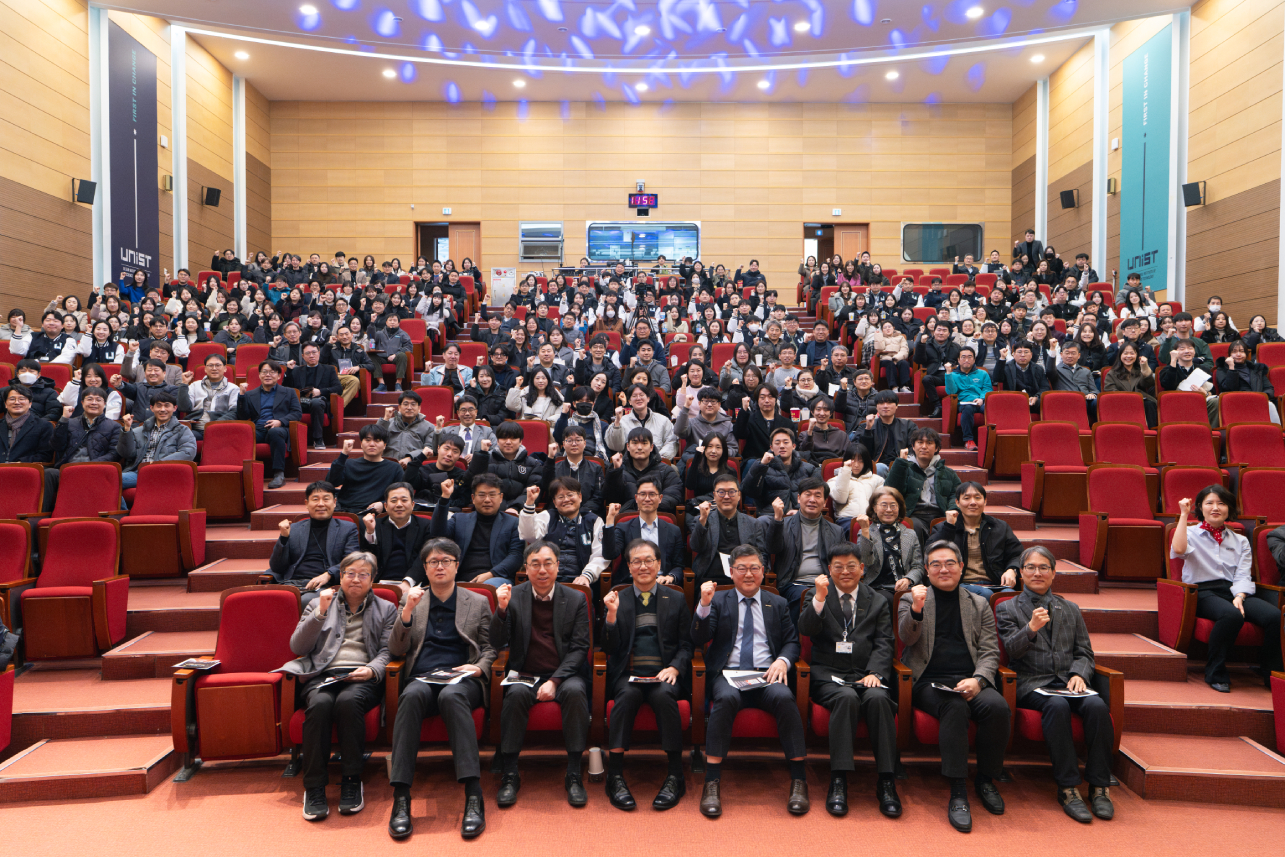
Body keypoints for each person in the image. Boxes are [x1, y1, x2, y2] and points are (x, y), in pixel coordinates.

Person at [386, 538, 497, 840]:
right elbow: (396, 650)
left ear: (457, 565)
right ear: (424, 567)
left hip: (462, 679)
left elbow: (489, 648)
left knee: (452, 695)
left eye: (446, 560)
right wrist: (407, 611)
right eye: (433, 562)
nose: (440, 566)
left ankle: (473, 795)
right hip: (422, 677)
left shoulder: (477, 601)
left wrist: (478, 668)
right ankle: (401, 797)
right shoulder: (412, 600)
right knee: (409, 695)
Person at [996, 546, 1115, 823]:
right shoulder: (1007, 607)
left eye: (1043, 568)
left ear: (1053, 573)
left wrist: (1079, 675)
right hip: (1030, 684)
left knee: (1097, 705)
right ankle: (1068, 787)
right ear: (1022, 574)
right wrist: (1031, 629)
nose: (1037, 573)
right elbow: (1012, 651)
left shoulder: (1070, 608)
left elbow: (1085, 652)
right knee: (1057, 704)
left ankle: (1099, 786)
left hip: (1068, 682)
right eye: (1030, 568)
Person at [899, 540, 1010, 833]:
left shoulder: (978, 603)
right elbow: (906, 639)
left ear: (961, 567)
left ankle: (985, 780)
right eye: (935, 564)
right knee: (954, 706)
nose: (943, 569)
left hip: (969, 678)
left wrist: (979, 679)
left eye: (949, 563)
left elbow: (989, 651)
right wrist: (917, 609)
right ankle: (958, 791)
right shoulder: (912, 599)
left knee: (997, 707)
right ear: (926, 570)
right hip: (929, 682)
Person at [693, 545, 808, 818]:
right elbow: (698, 638)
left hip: (767, 674)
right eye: (742, 568)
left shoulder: (777, 603)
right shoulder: (719, 601)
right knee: (726, 699)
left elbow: (792, 642)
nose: (748, 574)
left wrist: (782, 661)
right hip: (728, 675)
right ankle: (711, 781)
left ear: (763, 572)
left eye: (754, 568)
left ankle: (799, 780)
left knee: (784, 697)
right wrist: (704, 604)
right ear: (731, 572)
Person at [283, 551, 396, 822]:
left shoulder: (386, 608)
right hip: (323, 674)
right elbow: (298, 647)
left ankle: (351, 779)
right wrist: (320, 614)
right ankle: (314, 787)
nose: (356, 579)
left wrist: (371, 670)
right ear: (341, 576)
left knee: (348, 702)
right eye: (350, 573)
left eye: (363, 574)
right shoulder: (317, 603)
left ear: (373, 578)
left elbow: (387, 651)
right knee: (320, 704)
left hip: (361, 676)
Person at [800, 543, 901, 818]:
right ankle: (838, 779)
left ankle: (887, 781)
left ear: (862, 569)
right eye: (838, 566)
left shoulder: (878, 599)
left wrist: (876, 673)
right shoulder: (816, 594)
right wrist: (819, 599)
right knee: (844, 698)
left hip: (865, 674)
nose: (845, 572)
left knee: (880, 699)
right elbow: (806, 630)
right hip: (829, 676)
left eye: (851, 566)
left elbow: (884, 642)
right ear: (829, 570)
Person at [490, 542, 593, 808]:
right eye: (535, 564)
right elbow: (497, 642)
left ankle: (573, 772)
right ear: (525, 569)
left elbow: (581, 647)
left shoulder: (575, 598)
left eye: (548, 563)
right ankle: (510, 772)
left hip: (564, 673)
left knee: (575, 692)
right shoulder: (514, 595)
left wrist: (554, 681)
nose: (542, 570)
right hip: (526, 672)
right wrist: (501, 610)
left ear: (558, 566)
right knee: (514, 696)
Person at [601, 539, 694, 811]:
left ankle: (675, 774)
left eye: (648, 561)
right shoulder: (618, 596)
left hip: (663, 675)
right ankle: (615, 775)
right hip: (627, 675)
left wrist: (675, 667)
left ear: (659, 565)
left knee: (665, 697)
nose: (643, 566)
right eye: (637, 562)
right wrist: (611, 616)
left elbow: (687, 644)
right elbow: (608, 647)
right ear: (628, 567)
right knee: (626, 697)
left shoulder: (675, 598)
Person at [1172, 487, 1282, 691]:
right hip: (1203, 591)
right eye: (1209, 503)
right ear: (1200, 507)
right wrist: (1183, 515)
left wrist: (1240, 596)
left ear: (1229, 509)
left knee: (1275, 616)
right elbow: (1179, 550)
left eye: (1221, 503)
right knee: (1231, 616)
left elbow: (1242, 574)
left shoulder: (1240, 540)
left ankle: (1270, 673)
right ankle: (1215, 672)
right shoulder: (1189, 533)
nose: (1215, 507)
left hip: (1233, 590)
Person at [270, 481, 361, 606]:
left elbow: (352, 561)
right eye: (315, 499)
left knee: (307, 601)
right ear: (307, 504)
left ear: (334, 503)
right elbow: (277, 567)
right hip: (293, 583)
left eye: (326, 499)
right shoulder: (295, 528)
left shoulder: (347, 528)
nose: (321, 504)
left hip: (325, 585)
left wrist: (328, 574)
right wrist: (284, 538)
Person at [770, 476, 846, 621]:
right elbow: (773, 548)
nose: (812, 499)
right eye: (808, 494)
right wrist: (777, 520)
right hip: (793, 583)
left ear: (824, 502)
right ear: (799, 498)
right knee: (803, 596)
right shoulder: (783, 525)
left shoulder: (836, 531)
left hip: (826, 584)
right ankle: (796, 641)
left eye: (818, 496)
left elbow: (841, 561)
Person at [929, 483, 1023, 597]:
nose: (973, 502)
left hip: (996, 583)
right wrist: (949, 528)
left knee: (1009, 596)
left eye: (977, 498)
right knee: (985, 594)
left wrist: (1012, 570)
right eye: (967, 498)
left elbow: (1017, 554)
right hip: (960, 584)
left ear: (985, 501)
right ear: (957, 502)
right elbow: (931, 553)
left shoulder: (1000, 527)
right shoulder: (944, 527)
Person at [688, 473, 782, 586]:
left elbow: (761, 555)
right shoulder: (701, 519)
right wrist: (703, 520)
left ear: (739, 495)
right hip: (710, 579)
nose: (726, 497)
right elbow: (696, 547)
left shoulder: (753, 523)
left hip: (744, 580)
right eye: (721, 492)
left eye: (731, 492)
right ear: (714, 495)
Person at [429, 474, 523, 586]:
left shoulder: (513, 523)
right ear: (473, 498)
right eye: (482, 495)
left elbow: (516, 556)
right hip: (459, 578)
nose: (487, 500)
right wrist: (445, 497)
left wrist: (491, 574)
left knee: (488, 587)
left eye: (492, 495)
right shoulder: (459, 519)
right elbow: (437, 534)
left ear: (501, 498)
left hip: (496, 578)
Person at [517, 477, 608, 586]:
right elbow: (529, 536)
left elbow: (600, 555)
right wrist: (530, 503)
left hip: (580, 580)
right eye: (560, 497)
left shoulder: (594, 521)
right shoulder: (547, 516)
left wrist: (586, 576)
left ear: (580, 497)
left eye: (570, 495)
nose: (566, 500)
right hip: (547, 578)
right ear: (555, 503)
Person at [601, 475, 684, 586]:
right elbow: (609, 554)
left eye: (652, 494)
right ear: (636, 498)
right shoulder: (623, 527)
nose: (647, 499)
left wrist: (670, 577)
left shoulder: (673, 530)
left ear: (660, 498)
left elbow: (678, 565)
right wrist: (610, 519)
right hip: (630, 583)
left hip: (661, 584)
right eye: (642, 494)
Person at [885, 427, 961, 545]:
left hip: (940, 514)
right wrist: (900, 463)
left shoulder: (948, 473)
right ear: (913, 447)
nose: (924, 446)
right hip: (914, 514)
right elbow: (890, 490)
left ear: (936, 448)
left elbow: (956, 495)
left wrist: (952, 510)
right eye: (920, 442)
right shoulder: (904, 467)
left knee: (949, 527)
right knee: (914, 527)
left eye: (929, 443)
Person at [237, 361, 302, 489]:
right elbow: (242, 417)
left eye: (272, 372)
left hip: (279, 428)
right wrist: (242, 396)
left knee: (274, 432)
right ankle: (243, 474)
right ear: (259, 375)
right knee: (243, 434)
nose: (268, 375)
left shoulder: (289, 392)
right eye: (264, 372)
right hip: (259, 429)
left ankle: (279, 474)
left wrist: (280, 421)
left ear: (279, 376)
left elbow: (297, 413)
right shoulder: (250, 394)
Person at [855, 486, 925, 603]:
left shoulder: (910, 534)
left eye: (893, 505)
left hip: (906, 587)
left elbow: (918, 566)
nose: (888, 510)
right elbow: (865, 562)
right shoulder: (866, 532)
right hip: (878, 587)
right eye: (884, 505)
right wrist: (865, 531)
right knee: (886, 600)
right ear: (874, 507)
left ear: (899, 508)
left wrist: (908, 579)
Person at [116, 391, 197, 490]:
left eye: (167, 406)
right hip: (137, 472)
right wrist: (127, 430)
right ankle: (124, 506)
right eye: (158, 406)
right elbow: (126, 454)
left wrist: (156, 464)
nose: (163, 409)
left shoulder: (183, 430)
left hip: (163, 473)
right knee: (105, 480)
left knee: (111, 481)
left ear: (174, 408)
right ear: (152, 408)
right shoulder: (138, 431)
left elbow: (188, 452)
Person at [358, 483, 433, 589]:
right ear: (386, 506)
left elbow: (425, 558)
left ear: (412, 505)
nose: (399, 504)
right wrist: (370, 532)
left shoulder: (426, 526)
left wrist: (408, 582)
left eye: (404, 500)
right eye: (393, 501)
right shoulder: (374, 524)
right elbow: (367, 557)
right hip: (378, 584)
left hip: (414, 585)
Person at [326, 426, 406, 514]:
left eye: (377, 440)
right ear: (361, 444)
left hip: (375, 513)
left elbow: (402, 494)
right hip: (346, 510)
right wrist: (344, 454)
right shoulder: (348, 464)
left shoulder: (394, 468)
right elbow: (332, 482)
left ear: (384, 445)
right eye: (367, 440)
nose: (372, 444)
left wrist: (383, 504)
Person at [602, 427, 682, 514]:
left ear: (651, 447)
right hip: (626, 520)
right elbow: (610, 497)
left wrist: (647, 506)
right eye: (635, 443)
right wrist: (615, 472)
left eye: (644, 443)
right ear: (628, 447)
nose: (639, 447)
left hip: (656, 517)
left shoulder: (665, 470)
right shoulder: (618, 470)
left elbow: (674, 495)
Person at [467, 420, 545, 510]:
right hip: (490, 510)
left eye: (513, 438)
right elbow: (471, 483)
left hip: (520, 510)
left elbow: (534, 490)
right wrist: (481, 454)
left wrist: (515, 508)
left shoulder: (533, 464)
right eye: (504, 438)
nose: (508, 442)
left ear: (520, 441)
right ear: (498, 441)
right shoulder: (485, 460)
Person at [741, 427, 818, 514]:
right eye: (777, 443)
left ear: (793, 446)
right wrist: (761, 466)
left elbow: (818, 495)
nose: (781, 446)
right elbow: (749, 491)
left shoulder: (809, 469)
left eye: (786, 442)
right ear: (771, 447)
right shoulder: (763, 467)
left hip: (801, 515)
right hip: (770, 516)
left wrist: (801, 512)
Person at [285, 343, 342, 450]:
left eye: (314, 352)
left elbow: (338, 389)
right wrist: (289, 371)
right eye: (308, 353)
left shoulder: (329, 369)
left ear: (319, 353)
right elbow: (286, 388)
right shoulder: (297, 370)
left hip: (319, 401)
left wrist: (320, 391)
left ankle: (318, 438)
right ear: (303, 356)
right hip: (300, 401)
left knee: (316, 403)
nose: (311, 355)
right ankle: (289, 441)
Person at [606, 383, 678, 459]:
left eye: (641, 395)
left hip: (657, 463)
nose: (638, 398)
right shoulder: (621, 421)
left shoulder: (663, 420)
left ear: (648, 398)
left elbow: (671, 442)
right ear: (629, 401)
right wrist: (617, 422)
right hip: (630, 464)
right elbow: (616, 447)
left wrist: (658, 459)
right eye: (634, 396)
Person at [944, 346, 992, 451]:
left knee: (991, 409)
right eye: (963, 357)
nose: (966, 360)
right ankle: (968, 440)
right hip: (964, 403)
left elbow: (987, 389)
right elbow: (951, 392)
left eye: (970, 357)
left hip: (980, 402)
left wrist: (982, 399)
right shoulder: (953, 375)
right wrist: (948, 373)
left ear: (974, 360)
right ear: (958, 360)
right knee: (968, 407)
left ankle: (992, 438)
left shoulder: (983, 374)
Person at [856, 390, 914, 476]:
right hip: (876, 466)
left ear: (897, 405)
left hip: (901, 464)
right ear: (876, 407)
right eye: (881, 403)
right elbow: (862, 452)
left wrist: (904, 457)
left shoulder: (908, 426)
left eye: (890, 403)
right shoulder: (864, 426)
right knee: (880, 467)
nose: (885, 406)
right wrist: (868, 430)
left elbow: (914, 448)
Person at [733, 383, 794, 462]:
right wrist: (744, 409)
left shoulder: (787, 423)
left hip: (781, 461)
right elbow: (739, 434)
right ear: (757, 401)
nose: (767, 401)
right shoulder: (749, 420)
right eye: (762, 397)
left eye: (770, 397)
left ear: (776, 400)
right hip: (755, 462)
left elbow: (793, 447)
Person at [828, 444, 884, 528]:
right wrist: (846, 471)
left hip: (871, 519)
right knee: (855, 527)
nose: (856, 465)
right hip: (846, 520)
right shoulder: (833, 480)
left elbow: (880, 504)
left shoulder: (877, 480)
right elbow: (841, 499)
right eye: (853, 460)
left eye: (861, 460)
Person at [674, 385, 738, 458]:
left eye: (713, 401)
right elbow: (678, 432)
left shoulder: (727, 424)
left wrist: (716, 454)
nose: (709, 405)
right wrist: (686, 407)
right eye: (706, 401)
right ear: (699, 404)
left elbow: (733, 448)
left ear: (719, 405)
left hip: (720, 462)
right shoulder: (691, 423)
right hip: (696, 462)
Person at [0, 384, 54, 463]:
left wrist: (20, 463)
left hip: (25, 469)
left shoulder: (43, 426)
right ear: (5, 404)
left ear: (30, 404)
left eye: (21, 399)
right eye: (12, 399)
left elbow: (45, 455)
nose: (16, 402)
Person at [377, 391, 435, 464]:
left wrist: (411, 458)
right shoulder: (388, 423)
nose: (409, 408)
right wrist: (385, 420)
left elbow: (429, 449)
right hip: (388, 465)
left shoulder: (429, 427)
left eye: (413, 404)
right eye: (405, 404)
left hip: (414, 465)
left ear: (419, 408)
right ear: (399, 407)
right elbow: (376, 439)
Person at [993, 340, 1050, 413]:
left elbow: (1045, 387)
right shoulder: (1006, 367)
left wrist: (1036, 397)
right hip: (1013, 401)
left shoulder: (1038, 369)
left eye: (1026, 352)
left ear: (1031, 355)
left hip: (1033, 402)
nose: (1023, 355)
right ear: (1013, 354)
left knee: (1047, 402)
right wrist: (1002, 358)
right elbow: (996, 378)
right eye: (1019, 352)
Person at [322, 324, 374, 406]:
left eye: (347, 334)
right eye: (341, 335)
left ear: (351, 335)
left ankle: (335, 407)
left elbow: (371, 365)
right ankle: (335, 408)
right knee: (354, 381)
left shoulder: (358, 350)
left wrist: (358, 367)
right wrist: (329, 344)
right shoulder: (332, 348)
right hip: (334, 376)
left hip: (350, 377)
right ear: (337, 337)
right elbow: (321, 361)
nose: (344, 337)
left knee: (355, 381)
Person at [371, 313, 414, 393]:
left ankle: (398, 384)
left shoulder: (403, 334)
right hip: (382, 357)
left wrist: (395, 354)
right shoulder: (380, 333)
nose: (392, 322)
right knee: (372, 356)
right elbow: (371, 337)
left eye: (394, 320)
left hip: (396, 358)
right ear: (386, 322)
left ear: (398, 323)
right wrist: (372, 323)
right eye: (390, 320)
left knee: (402, 355)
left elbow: (409, 347)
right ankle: (381, 384)